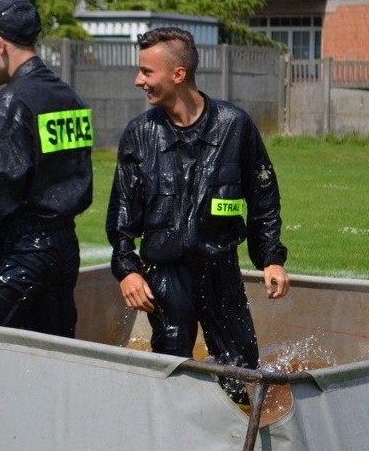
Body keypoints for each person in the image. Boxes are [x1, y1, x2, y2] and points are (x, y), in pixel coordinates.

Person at [106, 27, 289, 406]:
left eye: (146, 71)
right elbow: (122, 211)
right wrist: (127, 269)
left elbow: (264, 197)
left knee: (241, 373)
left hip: (220, 267)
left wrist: (270, 258)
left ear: (178, 74)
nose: (138, 80)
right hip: (165, 273)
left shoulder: (234, 127)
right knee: (173, 368)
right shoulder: (139, 135)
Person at [0, 0, 93, 337]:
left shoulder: (13, 99)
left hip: (20, 254)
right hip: (64, 248)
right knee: (53, 355)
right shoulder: (69, 96)